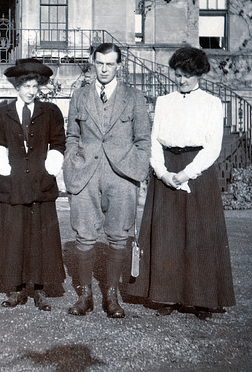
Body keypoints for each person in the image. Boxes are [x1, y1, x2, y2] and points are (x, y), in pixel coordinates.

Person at [127, 46, 235, 320]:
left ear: (198, 73)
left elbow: (212, 147)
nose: (182, 80)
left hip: (197, 172)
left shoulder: (211, 103)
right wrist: (163, 173)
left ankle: (201, 299)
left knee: (199, 235)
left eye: (187, 75)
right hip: (167, 169)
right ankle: (166, 295)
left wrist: (187, 173)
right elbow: (153, 141)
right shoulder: (164, 102)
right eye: (178, 75)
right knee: (167, 234)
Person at [63, 43, 151, 319]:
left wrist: (134, 173)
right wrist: (71, 163)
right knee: (85, 236)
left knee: (118, 236)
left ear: (118, 66)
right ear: (93, 63)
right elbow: (72, 136)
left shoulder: (134, 97)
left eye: (109, 64)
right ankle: (85, 295)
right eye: (99, 63)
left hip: (121, 176)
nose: (103, 69)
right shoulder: (79, 95)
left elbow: (143, 140)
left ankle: (111, 296)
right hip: (85, 174)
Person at [0, 59, 66, 311]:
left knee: (39, 236)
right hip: (13, 183)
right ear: (16, 87)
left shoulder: (50, 112)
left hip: (41, 182)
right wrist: (5, 168)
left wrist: (51, 167)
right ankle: (15, 288)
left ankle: (39, 289)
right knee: (15, 235)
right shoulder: (2, 113)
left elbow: (59, 142)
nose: (31, 90)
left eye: (35, 86)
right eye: (26, 86)